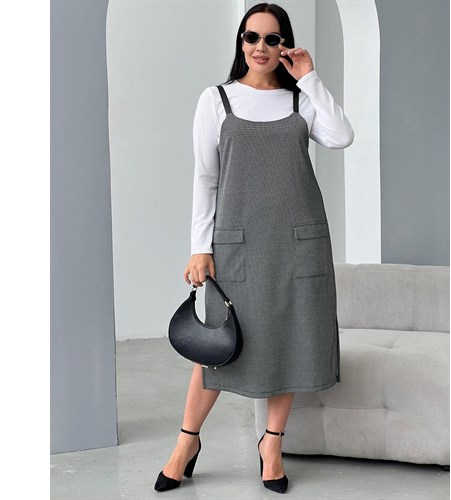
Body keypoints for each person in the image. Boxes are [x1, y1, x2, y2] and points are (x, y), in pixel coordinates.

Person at [154, 2, 354, 494]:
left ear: (285, 44)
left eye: (271, 38)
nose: (260, 47)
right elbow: (205, 178)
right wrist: (199, 247)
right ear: (240, 42)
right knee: (217, 346)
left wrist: (309, 78)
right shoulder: (216, 100)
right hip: (237, 242)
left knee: (289, 337)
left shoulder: (299, 101)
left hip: (298, 241)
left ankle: (272, 444)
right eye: (251, 37)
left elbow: (341, 137)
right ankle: (187, 441)